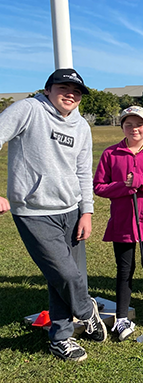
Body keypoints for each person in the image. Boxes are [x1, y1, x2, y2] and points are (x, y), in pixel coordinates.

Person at [0, 69, 106, 361]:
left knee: (58, 279)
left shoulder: (82, 125)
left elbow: (84, 171)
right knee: (66, 274)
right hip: (33, 211)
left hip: (70, 210)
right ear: (48, 89)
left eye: (77, 90)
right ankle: (87, 311)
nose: (70, 93)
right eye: (63, 87)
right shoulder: (29, 109)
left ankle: (60, 338)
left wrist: (87, 211)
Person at [93, 106, 143, 341]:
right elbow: (99, 186)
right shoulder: (110, 154)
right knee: (124, 269)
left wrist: (142, 182)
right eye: (128, 124)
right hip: (123, 221)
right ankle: (121, 317)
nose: (134, 128)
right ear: (122, 128)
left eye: (139, 124)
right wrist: (125, 186)